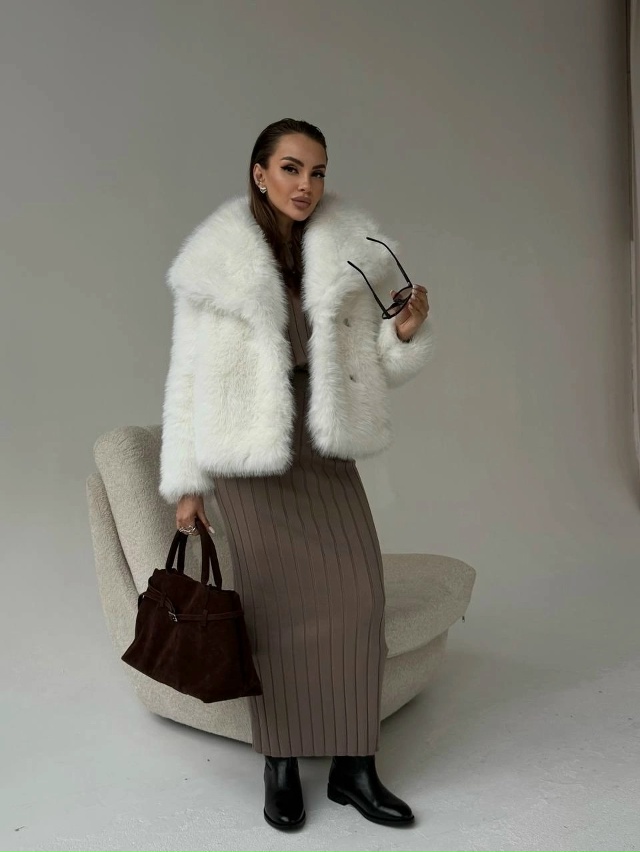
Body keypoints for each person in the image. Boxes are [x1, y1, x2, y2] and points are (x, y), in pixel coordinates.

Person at [158, 118, 434, 831]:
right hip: (250, 455)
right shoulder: (214, 263)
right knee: (275, 611)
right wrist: (186, 482)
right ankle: (280, 764)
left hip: (322, 444)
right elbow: (185, 377)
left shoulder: (350, 253)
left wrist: (402, 334)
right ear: (260, 173)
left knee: (359, 597)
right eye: (290, 168)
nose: (306, 184)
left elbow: (373, 365)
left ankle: (354, 768)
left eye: (317, 171)